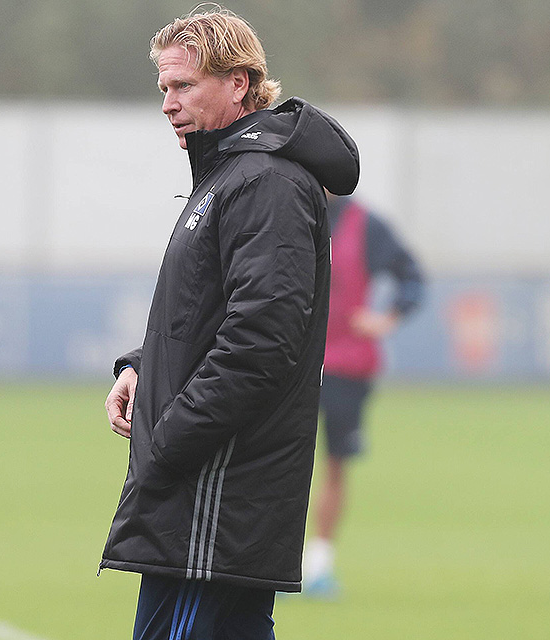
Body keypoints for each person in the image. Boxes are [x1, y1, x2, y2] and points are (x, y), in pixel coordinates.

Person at [101, 8, 359, 639]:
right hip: (205, 498)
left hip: (213, 499)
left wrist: (169, 440)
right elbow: (204, 313)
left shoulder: (263, 181)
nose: (168, 103)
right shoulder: (229, 175)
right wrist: (142, 366)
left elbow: (261, 341)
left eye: (183, 86)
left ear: (239, 83)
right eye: (163, 88)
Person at [301, 194, 424, 599]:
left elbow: (411, 275)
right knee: (278, 462)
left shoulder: (366, 224)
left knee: (335, 464)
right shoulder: (291, 211)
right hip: (293, 360)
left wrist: (386, 318)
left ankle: (319, 564)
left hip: (347, 364)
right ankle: (271, 562)